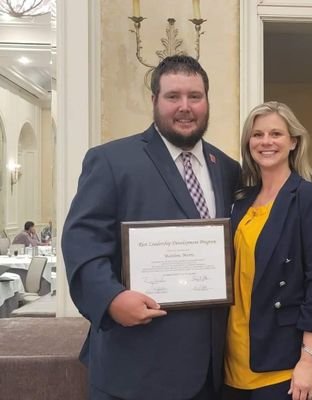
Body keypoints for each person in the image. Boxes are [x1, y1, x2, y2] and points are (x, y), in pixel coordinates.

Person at [61, 55, 241, 400]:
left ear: (207, 101)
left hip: (211, 372)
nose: (185, 107)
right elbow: (82, 242)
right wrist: (111, 298)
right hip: (134, 369)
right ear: (154, 101)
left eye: (195, 96)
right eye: (173, 96)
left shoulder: (227, 168)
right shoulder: (112, 160)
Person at [222, 101, 312, 400]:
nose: (266, 142)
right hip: (232, 362)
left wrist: (309, 360)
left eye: (276, 133)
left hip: (285, 364)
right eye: (257, 134)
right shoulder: (240, 202)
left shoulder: (310, 199)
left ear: (293, 142)